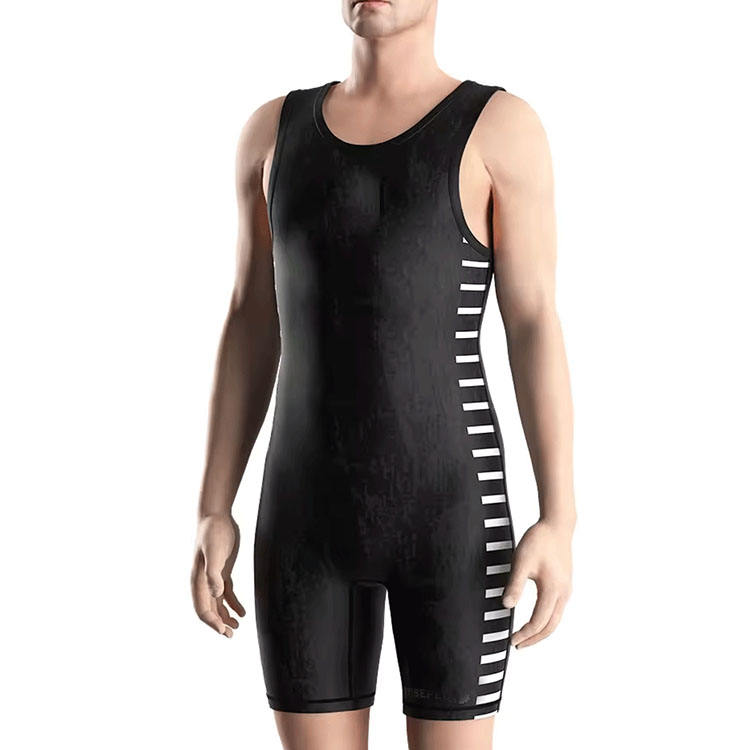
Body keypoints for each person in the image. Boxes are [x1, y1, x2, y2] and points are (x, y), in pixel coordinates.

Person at [191, 1, 575, 748]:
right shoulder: (270, 134)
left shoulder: (501, 129)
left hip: (453, 524)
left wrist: (560, 516)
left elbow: (533, 322)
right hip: (303, 526)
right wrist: (214, 505)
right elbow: (249, 320)